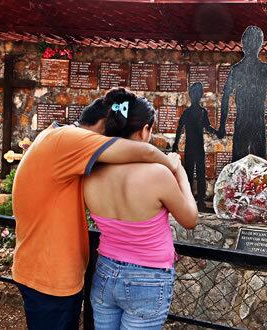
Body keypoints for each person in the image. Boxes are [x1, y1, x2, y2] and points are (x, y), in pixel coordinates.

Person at [12, 89, 181, 330]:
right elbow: (144, 151)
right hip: (49, 275)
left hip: (43, 269)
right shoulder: (69, 139)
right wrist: (172, 164)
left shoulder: (57, 137)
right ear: (104, 125)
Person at [83, 88, 197, 329]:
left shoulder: (91, 173)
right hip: (148, 277)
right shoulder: (158, 174)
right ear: (145, 130)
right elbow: (189, 218)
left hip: (105, 270)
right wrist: (180, 172)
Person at [217, 25, 267, 162]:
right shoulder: (263, 69)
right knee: (256, 164)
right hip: (253, 122)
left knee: (243, 163)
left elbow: (226, 97)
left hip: (247, 121)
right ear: (259, 45)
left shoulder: (238, 70)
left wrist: (222, 125)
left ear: (244, 44)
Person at [172, 82, 217, 210]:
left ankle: (201, 200)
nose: (197, 95)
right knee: (189, 173)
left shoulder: (202, 112)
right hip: (190, 147)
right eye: (195, 93)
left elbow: (207, 127)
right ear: (192, 95)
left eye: (198, 93)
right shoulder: (188, 113)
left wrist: (217, 132)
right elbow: (180, 128)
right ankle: (190, 197)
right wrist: (175, 143)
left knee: (200, 173)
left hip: (197, 147)